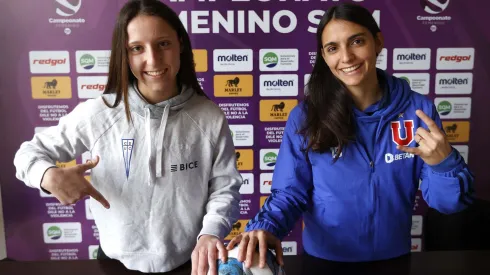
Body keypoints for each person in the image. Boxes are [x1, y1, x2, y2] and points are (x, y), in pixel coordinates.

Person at [227, 2, 475, 273]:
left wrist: (444, 165)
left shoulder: (418, 112)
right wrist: (264, 227)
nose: (346, 57)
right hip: (324, 262)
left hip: (394, 259)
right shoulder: (306, 117)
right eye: (333, 48)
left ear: (377, 42)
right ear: (324, 55)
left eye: (356, 41)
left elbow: (447, 205)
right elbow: (290, 192)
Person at [13, 0, 242, 274]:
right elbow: (28, 154)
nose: (153, 60)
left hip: (191, 261)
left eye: (163, 44)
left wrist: (210, 233)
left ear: (180, 43)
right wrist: (47, 176)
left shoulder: (209, 117)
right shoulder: (100, 113)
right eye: (137, 48)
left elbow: (224, 187)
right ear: (125, 54)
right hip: (113, 263)